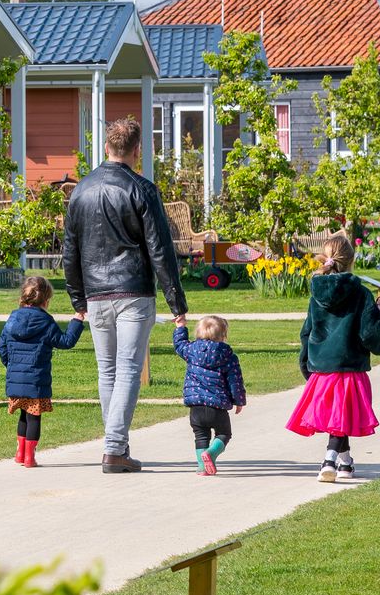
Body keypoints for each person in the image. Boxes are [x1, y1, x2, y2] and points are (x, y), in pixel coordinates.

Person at [62, 117, 187, 473]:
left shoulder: (81, 190)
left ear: (105, 147)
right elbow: (160, 249)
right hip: (133, 289)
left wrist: (77, 299)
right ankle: (115, 447)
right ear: (137, 151)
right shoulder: (142, 189)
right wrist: (176, 303)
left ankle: (117, 443)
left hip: (96, 292)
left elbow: (69, 251)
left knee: (108, 370)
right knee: (128, 369)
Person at [288, 234, 380, 482]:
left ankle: (345, 462)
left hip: (323, 365)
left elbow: (307, 332)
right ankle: (329, 459)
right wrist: (378, 319)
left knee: (338, 416)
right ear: (351, 260)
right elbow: (369, 334)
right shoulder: (361, 294)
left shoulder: (317, 293)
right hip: (348, 365)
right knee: (340, 416)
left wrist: (306, 363)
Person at [0, 275, 85, 468]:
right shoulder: (46, 322)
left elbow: (2, 348)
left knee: (23, 414)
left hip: (15, 378)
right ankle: (30, 457)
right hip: (36, 380)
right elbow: (65, 342)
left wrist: (12, 367)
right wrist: (77, 321)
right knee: (33, 416)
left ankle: (20, 453)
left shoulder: (12, 319)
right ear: (46, 300)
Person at [172, 314, 246, 475]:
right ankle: (211, 453)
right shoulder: (228, 356)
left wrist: (180, 327)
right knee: (224, 434)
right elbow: (235, 381)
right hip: (217, 406)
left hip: (196, 406)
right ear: (223, 335)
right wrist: (239, 401)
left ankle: (202, 467)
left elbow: (179, 345)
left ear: (198, 333)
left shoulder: (191, 350)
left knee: (201, 436)